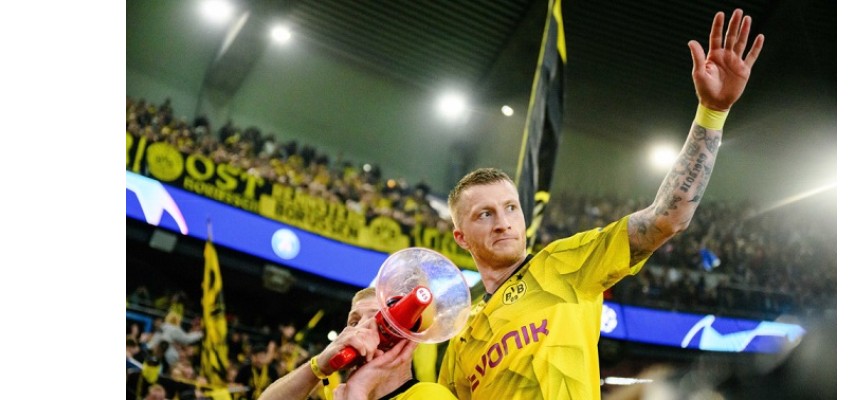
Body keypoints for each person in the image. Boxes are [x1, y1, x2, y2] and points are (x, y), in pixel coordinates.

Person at [437, 8, 765, 399]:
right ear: (460, 236)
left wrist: (712, 112)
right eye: (485, 214)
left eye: (511, 208)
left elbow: (667, 218)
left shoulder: (565, 264)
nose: (504, 222)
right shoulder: (461, 339)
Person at [259, 288, 456, 400]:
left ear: (406, 336)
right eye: (354, 322)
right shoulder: (338, 393)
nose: (359, 328)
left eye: (379, 320)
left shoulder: (431, 396)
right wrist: (317, 367)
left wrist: (358, 391)